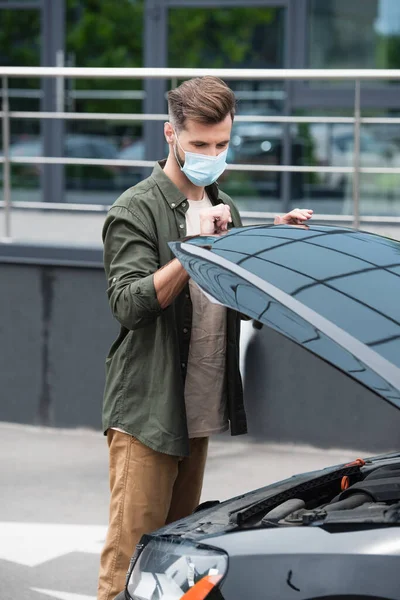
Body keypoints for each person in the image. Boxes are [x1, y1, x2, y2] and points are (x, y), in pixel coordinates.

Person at [97, 75, 313, 600]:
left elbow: (230, 294)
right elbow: (128, 305)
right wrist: (190, 252)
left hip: (197, 407)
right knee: (129, 558)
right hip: (149, 411)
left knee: (174, 560)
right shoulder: (135, 209)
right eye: (199, 144)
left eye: (221, 144)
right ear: (170, 134)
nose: (212, 155)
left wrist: (267, 244)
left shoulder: (226, 207)